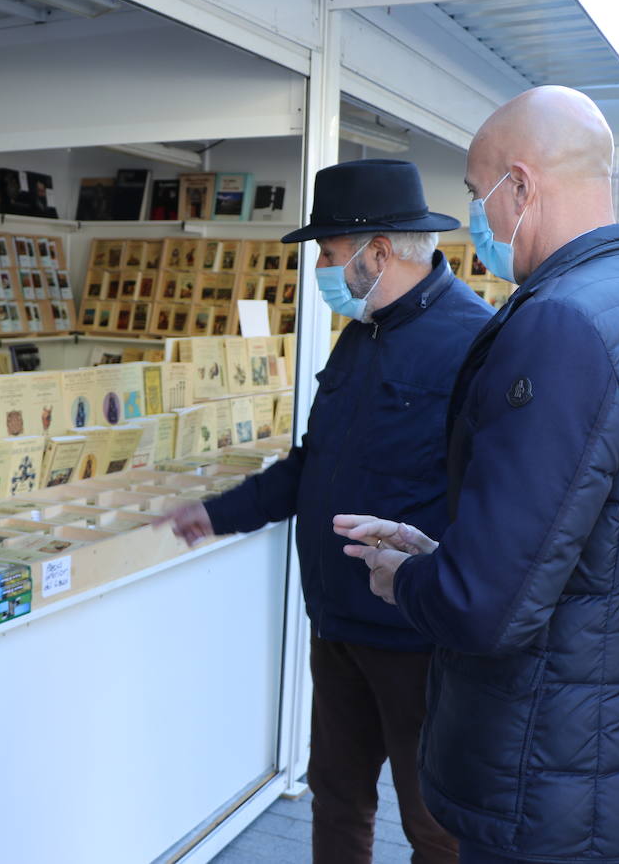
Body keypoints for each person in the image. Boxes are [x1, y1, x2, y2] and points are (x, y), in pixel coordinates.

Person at [333, 86, 619, 864]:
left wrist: (405, 580)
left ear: (519, 186)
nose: (475, 216)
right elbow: (604, 542)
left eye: (474, 191)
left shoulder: (563, 322)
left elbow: (489, 605)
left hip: (548, 774)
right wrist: (439, 551)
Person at [161, 158, 492, 864]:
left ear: (376, 252)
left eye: (328, 253)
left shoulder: (474, 341)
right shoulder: (361, 332)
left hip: (416, 639)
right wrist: (217, 514)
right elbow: (315, 465)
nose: (320, 267)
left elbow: (493, 500)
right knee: (338, 798)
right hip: (336, 626)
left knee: (434, 820)